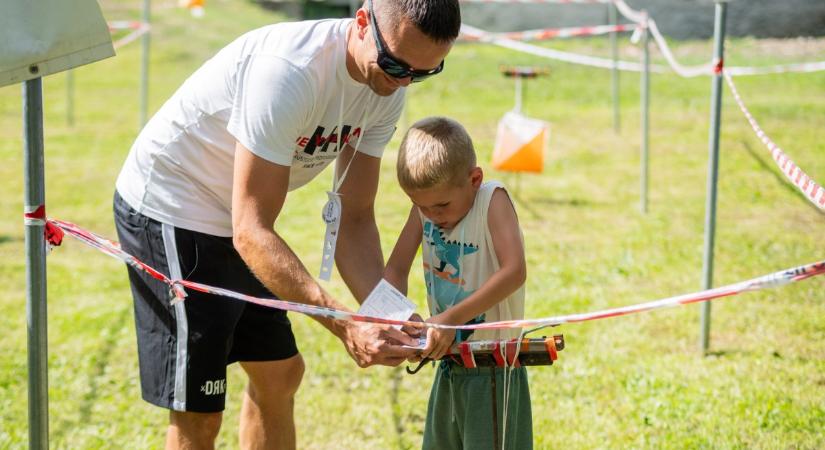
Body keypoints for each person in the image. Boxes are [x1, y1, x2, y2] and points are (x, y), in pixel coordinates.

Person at [112, 0, 460, 448]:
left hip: (238, 221)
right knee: (199, 412)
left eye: (424, 72)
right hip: (172, 206)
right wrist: (344, 323)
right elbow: (251, 229)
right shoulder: (289, 72)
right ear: (361, 21)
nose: (403, 81)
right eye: (395, 64)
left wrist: (392, 315)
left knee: (280, 374)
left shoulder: (388, 85)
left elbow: (354, 218)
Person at [383, 117, 532, 449]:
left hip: (492, 370)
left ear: (474, 179)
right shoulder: (424, 210)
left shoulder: (491, 200)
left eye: (441, 205)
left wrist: (449, 319)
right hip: (449, 365)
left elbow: (514, 271)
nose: (432, 215)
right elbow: (394, 271)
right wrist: (403, 321)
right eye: (420, 205)